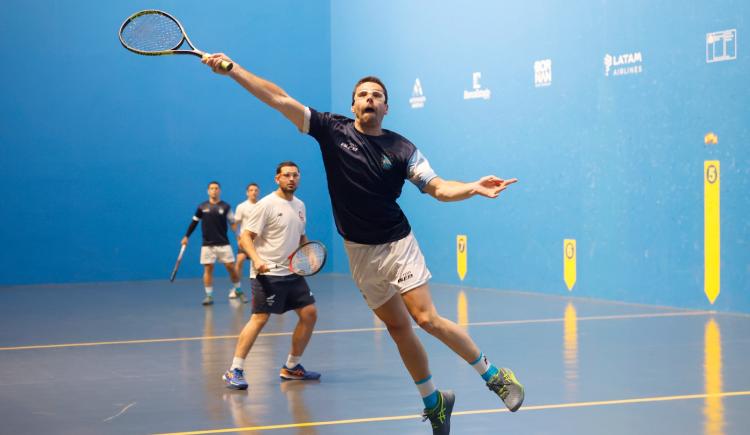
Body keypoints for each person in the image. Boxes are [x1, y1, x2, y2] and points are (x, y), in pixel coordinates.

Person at [202, 54, 523, 434]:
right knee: (398, 329)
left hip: (396, 242)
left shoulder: (403, 149)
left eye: (376, 95)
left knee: (425, 319)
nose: (369, 98)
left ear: (386, 107)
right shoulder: (330, 129)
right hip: (359, 252)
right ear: (353, 104)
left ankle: (494, 375)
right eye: (362, 94)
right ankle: (434, 402)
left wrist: (470, 186)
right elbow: (279, 99)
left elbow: (437, 188)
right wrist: (233, 70)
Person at [223, 161, 320, 390]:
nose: (291, 179)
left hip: (292, 272)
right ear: (277, 178)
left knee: (309, 314)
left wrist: (309, 254)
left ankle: (291, 367)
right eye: (286, 175)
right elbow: (245, 237)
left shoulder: (300, 205)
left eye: (295, 175)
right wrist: (257, 259)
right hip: (266, 274)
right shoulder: (266, 204)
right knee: (260, 318)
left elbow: (301, 236)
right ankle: (234, 370)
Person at [182, 181, 244, 306]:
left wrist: (239, 236)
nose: (214, 190)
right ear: (208, 191)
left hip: (223, 243)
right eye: (211, 188)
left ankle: (238, 290)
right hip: (207, 245)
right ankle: (209, 296)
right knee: (208, 269)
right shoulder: (201, 207)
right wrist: (186, 236)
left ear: (219, 191)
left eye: (216, 188)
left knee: (231, 268)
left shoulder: (226, 206)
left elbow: (232, 223)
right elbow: (194, 222)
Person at [231, 182, 261, 303]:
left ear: (258, 192)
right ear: (247, 192)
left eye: (255, 190)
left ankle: (263, 290)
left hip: (258, 242)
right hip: (245, 240)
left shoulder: (261, 205)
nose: (253, 192)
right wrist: (239, 238)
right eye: (251, 190)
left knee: (258, 266)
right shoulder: (241, 207)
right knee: (239, 262)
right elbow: (235, 224)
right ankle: (236, 289)